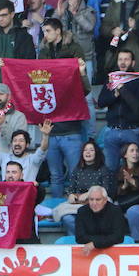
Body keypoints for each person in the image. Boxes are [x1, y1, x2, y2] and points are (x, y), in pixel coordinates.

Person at [38, 18, 92, 196]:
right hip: (51, 126)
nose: (44, 36)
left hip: (71, 127)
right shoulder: (44, 51)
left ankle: (76, 210)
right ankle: (56, 209)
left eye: (47, 31)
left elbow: (83, 88)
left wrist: (81, 73)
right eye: (43, 32)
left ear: (58, 31)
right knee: (55, 175)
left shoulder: (74, 49)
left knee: (77, 174)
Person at [98, 49, 139, 171]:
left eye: (126, 59)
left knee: (135, 169)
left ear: (133, 63)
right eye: (120, 59)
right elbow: (101, 102)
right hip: (112, 130)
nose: (123, 62)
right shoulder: (111, 79)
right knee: (110, 170)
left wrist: (123, 90)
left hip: (132, 130)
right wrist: (114, 95)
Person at [61, 141, 115, 236]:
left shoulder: (103, 169)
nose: (88, 152)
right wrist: (71, 195)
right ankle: (77, 240)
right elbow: (70, 188)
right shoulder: (77, 169)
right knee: (66, 218)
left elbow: (106, 189)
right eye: (85, 150)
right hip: (79, 203)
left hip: (96, 202)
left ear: (96, 153)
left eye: (91, 150)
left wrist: (89, 194)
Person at [75, 185, 128, 254]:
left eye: (98, 199)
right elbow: (80, 237)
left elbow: (118, 237)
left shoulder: (115, 211)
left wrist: (95, 244)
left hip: (113, 253)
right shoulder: (82, 211)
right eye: (91, 199)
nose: (94, 203)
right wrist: (104, 240)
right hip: (88, 253)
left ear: (105, 200)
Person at [115, 142, 139, 242]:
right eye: (132, 151)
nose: (135, 153)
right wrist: (124, 186)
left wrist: (133, 181)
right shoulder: (119, 170)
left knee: (132, 211)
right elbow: (113, 192)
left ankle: (136, 240)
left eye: (137, 151)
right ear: (125, 155)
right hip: (124, 202)